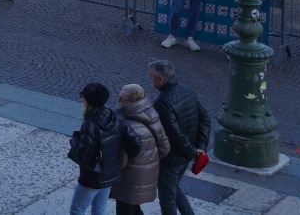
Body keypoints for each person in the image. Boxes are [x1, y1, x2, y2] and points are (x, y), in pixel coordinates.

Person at [149, 60, 209, 215]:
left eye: (152, 77)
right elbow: (205, 119)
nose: (151, 81)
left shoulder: (162, 102)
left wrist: (192, 152)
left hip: (172, 158)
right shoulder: (186, 90)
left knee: (167, 199)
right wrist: (200, 148)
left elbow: (175, 135)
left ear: (161, 79)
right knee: (175, 189)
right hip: (186, 155)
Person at [69, 81, 135, 215]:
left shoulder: (90, 124)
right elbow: (135, 143)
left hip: (92, 176)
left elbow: (83, 155)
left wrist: (75, 138)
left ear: (87, 101)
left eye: (83, 98)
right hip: (109, 173)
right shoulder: (116, 116)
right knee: (99, 209)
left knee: (77, 210)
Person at [113, 83, 170, 215]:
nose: (118, 101)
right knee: (135, 209)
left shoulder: (126, 125)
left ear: (132, 101)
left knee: (125, 210)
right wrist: (148, 161)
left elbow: (121, 161)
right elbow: (165, 148)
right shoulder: (152, 115)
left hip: (128, 180)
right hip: (146, 177)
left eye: (122, 98)